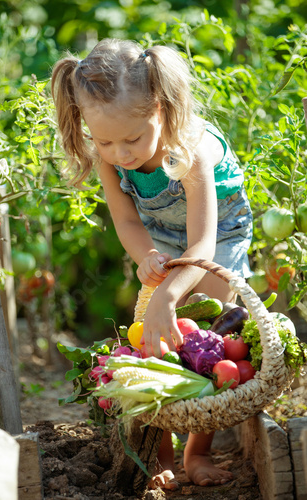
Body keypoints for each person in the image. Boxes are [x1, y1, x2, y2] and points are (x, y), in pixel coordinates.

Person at [51, 38, 253, 489]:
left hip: (218, 234)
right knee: (153, 340)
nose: (121, 154)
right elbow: (126, 220)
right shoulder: (110, 157)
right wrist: (149, 260)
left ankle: (197, 452)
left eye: (133, 138)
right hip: (159, 234)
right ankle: (159, 453)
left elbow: (202, 244)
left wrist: (170, 295)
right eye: (104, 141)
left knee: (212, 338)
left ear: (161, 109)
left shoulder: (192, 150)